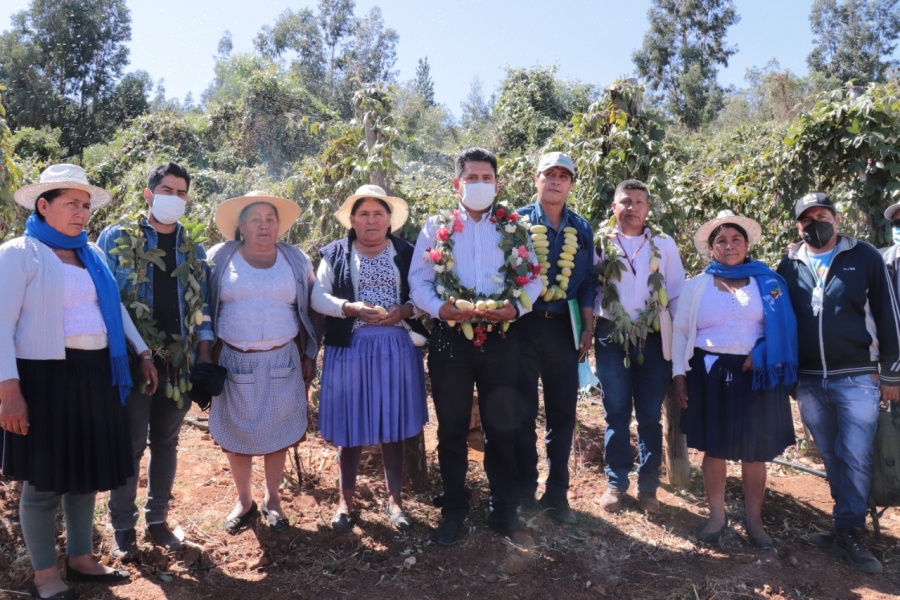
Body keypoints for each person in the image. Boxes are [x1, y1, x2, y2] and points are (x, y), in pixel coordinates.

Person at [0, 164, 156, 599]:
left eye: (86, 205)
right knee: (43, 483)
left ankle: (82, 558)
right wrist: (8, 390)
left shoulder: (93, 256)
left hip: (95, 374)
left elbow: (115, 310)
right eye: (72, 203)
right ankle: (46, 576)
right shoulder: (19, 253)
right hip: (44, 376)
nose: (82, 213)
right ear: (43, 205)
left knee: (85, 475)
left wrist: (141, 350)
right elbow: (0, 324)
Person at [410, 147, 544, 547]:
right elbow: (419, 280)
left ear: (498, 184)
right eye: (472, 178)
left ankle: (503, 510)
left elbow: (534, 278)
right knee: (451, 428)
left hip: (501, 339)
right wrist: (440, 309)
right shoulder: (436, 226)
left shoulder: (513, 228)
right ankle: (453, 509)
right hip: (451, 339)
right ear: (457, 184)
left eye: (487, 178)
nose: (480, 185)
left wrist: (515, 309)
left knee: (500, 427)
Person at [778, 192, 900, 574]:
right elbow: (782, 320)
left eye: (823, 215)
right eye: (807, 219)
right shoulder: (789, 264)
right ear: (798, 226)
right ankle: (843, 524)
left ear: (837, 218)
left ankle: (851, 532)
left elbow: (887, 313)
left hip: (857, 376)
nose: (816, 224)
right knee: (830, 455)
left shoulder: (864, 257)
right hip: (811, 380)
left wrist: (891, 373)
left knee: (856, 455)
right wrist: (789, 376)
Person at [97, 162, 214, 559]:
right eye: (167, 190)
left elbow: (204, 308)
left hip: (177, 364)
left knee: (166, 442)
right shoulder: (118, 237)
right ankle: (123, 528)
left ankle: (158, 520)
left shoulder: (192, 247)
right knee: (130, 445)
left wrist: (203, 357)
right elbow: (103, 299)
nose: (175, 199)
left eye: (182, 192)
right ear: (149, 194)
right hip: (133, 361)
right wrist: (130, 353)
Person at [672, 211, 798, 547]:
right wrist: (679, 374)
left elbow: (785, 326)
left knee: (755, 451)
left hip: (755, 374)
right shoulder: (697, 285)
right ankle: (717, 517)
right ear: (711, 249)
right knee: (714, 448)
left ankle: (754, 522)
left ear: (746, 244)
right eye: (721, 241)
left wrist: (763, 353)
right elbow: (682, 331)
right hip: (710, 372)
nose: (729, 246)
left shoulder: (768, 282)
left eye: (735, 239)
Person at [312, 184, 429, 532]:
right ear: (351, 220)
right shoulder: (334, 254)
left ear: (390, 220)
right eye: (363, 213)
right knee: (351, 428)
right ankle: (346, 501)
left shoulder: (407, 253)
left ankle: (395, 501)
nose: (371, 220)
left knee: (393, 427)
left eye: (378, 213)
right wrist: (348, 308)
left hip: (396, 348)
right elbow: (317, 297)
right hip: (350, 349)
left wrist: (407, 308)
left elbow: (427, 294)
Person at [207, 191, 321, 533]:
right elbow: (200, 306)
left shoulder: (295, 260)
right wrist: (202, 355)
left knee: (279, 430)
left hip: (283, 358)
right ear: (240, 224)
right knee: (235, 433)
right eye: (255, 219)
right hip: (232, 360)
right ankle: (244, 501)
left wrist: (309, 354)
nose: (263, 226)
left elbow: (312, 308)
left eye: (270, 219)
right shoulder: (219, 258)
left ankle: (273, 500)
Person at [513, 152, 596, 524]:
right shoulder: (513, 222)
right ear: (536, 179)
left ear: (571, 184)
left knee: (563, 414)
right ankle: (524, 489)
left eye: (564, 175)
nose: (556, 181)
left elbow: (589, 281)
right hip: (522, 328)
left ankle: (557, 494)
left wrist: (589, 325)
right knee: (522, 411)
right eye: (550, 174)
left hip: (565, 328)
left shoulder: (582, 228)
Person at [594, 179, 686, 514]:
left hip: (652, 334)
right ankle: (616, 484)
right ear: (614, 206)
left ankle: (649, 488)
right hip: (610, 335)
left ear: (648, 208)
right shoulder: (600, 244)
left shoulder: (664, 244)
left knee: (649, 414)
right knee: (616, 412)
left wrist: (677, 344)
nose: (632, 208)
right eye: (625, 201)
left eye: (639, 202)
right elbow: (592, 290)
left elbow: (674, 294)